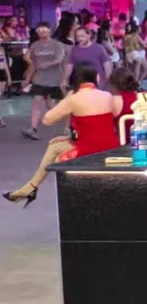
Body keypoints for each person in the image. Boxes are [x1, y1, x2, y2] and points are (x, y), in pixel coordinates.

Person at [4, 63, 117, 208]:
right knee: (55, 145)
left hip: (89, 148)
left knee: (58, 155)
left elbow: (47, 120)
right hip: (109, 144)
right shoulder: (107, 95)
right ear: (97, 77)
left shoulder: (74, 98)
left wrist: (67, 99)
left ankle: (33, 189)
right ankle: (30, 187)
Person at [20, 23, 64, 142]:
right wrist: (28, 79)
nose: (42, 33)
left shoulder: (57, 45)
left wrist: (47, 64)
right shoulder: (35, 45)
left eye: (44, 30)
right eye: (39, 31)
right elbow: (34, 64)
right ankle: (33, 129)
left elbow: (59, 59)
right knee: (36, 102)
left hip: (54, 79)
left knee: (51, 106)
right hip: (39, 79)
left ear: (50, 31)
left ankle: (64, 128)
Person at [107, 66, 145, 140]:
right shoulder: (142, 97)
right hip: (142, 138)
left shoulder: (115, 100)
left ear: (113, 84)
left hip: (123, 140)